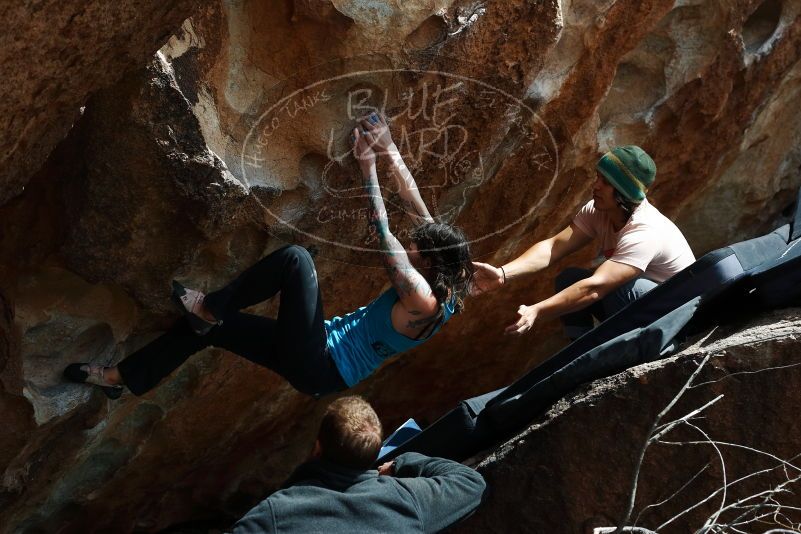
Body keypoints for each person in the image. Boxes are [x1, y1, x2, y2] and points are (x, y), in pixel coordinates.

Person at [64, 112, 474, 399]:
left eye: (416, 250)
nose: (412, 246)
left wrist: (367, 167)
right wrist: (389, 147)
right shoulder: (448, 276)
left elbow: (382, 228)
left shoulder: (421, 296)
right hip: (315, 353)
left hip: (321, 363)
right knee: (212, 332)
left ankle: (211, 307)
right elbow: (412, 199)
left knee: (296, 260)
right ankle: (121, 377)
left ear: (429, 263)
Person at [472, 145, 695, 340]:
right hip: (644, 307)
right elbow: (554, 247)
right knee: (569, 278)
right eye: (598, 177)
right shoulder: (599, 210)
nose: (595, 185)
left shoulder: (645, 231)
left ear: (623, 193)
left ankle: (627, 350)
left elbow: (595, 288)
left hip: (678, 318)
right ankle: (580, 348)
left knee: (619, 289)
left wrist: (537, 310)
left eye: (605, 182)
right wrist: (503, 273)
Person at [230, 396, 486, 534]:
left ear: (318, 447)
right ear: (375, 455)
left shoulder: (278, 512)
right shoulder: (406, 500)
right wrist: (402, 462)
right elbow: (471, 483)